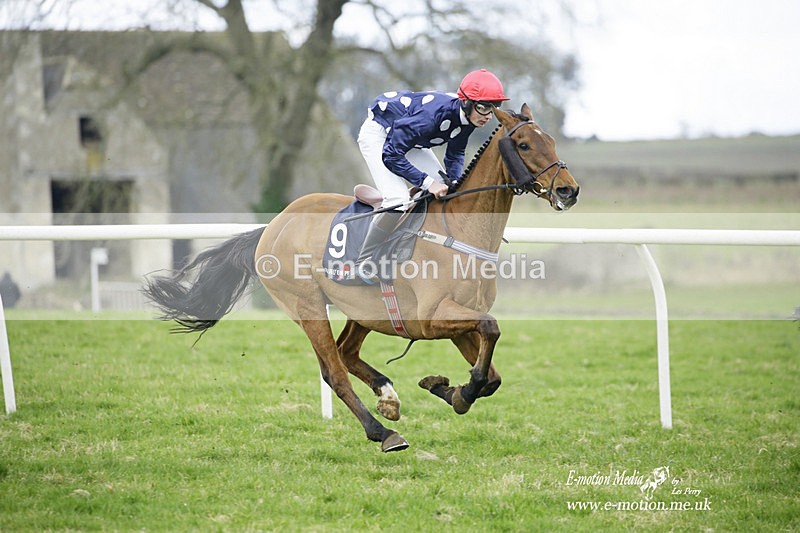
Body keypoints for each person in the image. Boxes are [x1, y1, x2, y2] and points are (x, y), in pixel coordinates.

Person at [355, 68, 510, 274]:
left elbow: (455, 154)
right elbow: (392, 155)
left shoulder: (470, 116)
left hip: (412, 141)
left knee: (449, 190)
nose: (488, 116)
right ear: (466, 102)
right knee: (398, 200)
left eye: (493, 108)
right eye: (484, 107)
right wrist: (428, 183)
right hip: (380, 134)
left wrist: (455, 182)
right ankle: (362, 261)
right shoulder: (432, 116)